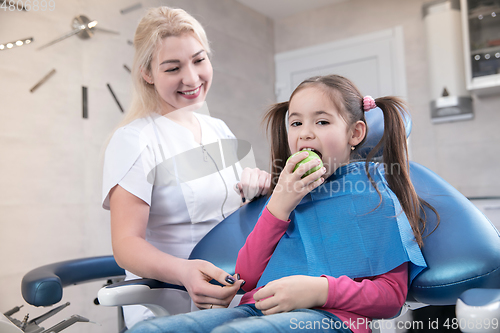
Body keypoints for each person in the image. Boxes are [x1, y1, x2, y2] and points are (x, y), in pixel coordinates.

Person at [126, 74, 438, 333]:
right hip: (256, 311)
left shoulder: (376, 198)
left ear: (355, 133)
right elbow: (246, 276)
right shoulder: (285, 195)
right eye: (296, 123)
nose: (306, 134)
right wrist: (278, 205)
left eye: (322, 122)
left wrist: (319, 291)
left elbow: (391, 297)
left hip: (335, 319)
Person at [101, 6, 270, 329]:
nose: (191, 78)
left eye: (199, 60)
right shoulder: (134, 140)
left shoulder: (218, 129)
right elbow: (126, 244)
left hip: (236, 293)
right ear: (147, 73)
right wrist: (183, 271)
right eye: (172, 67)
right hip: (169, 302)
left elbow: (231, 214)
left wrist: (256, 188)